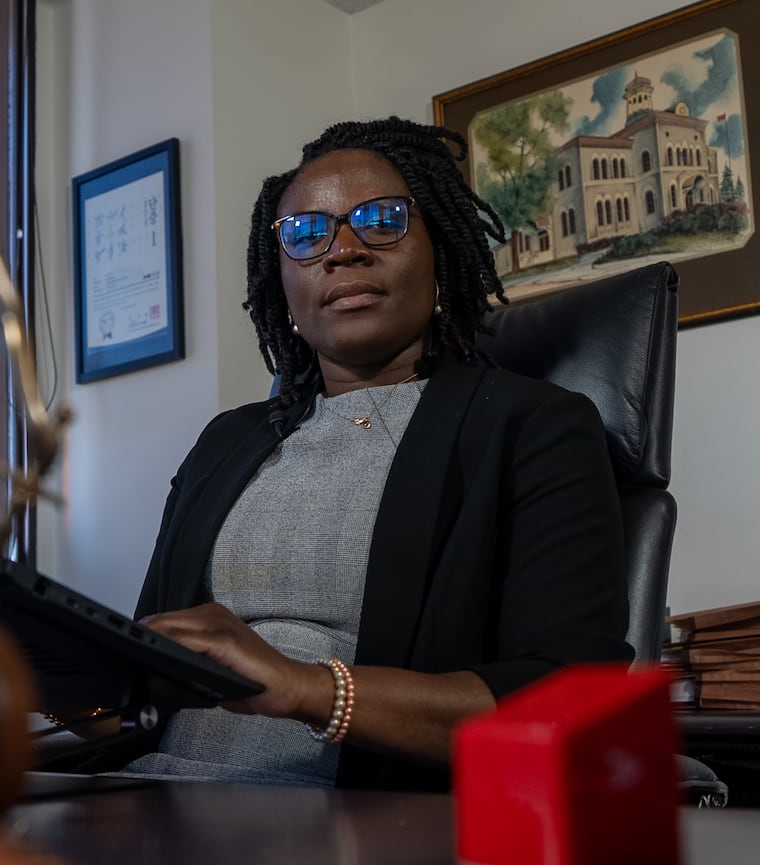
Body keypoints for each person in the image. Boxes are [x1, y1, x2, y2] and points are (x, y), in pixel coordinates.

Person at [120, 116, 632, 792]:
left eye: (381, 219)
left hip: (359, 813)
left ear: (439, 250)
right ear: (282, 280)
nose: (343, 250)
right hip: (151, 795)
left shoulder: (533, 427)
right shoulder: (225, 442)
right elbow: (147, 666)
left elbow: (561, 700)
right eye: (306, 234)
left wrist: (305, 688)